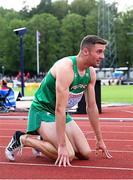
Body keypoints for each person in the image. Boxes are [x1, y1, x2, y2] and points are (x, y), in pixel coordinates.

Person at [5, 35, 112, 167]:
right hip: (43, 111)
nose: (102, 56)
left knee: (85, 153)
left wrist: (99, 139)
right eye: (99, 52)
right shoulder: (66, 69)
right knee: (68, 154)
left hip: (60, 114)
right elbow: (59, 109)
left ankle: (45, 138)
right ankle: (22, 139)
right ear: (85, 51)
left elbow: (92, 107)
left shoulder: (91, 73)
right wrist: (61, 146)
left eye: (103, 52)